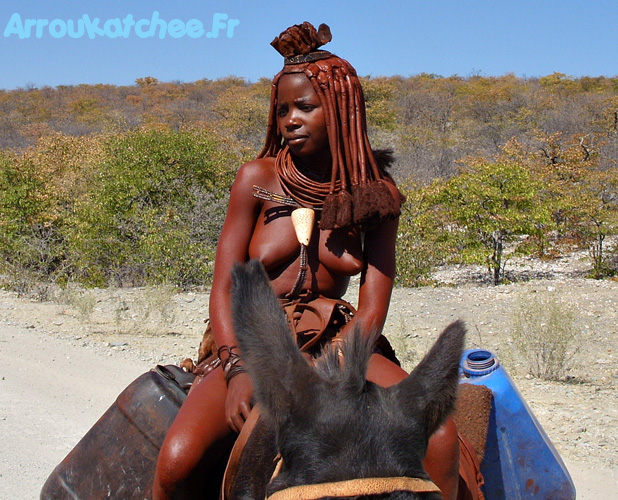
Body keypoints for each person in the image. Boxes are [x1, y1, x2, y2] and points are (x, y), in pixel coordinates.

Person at [153, 22, 460, 500]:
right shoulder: (256, 178)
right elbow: (224, 287)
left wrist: (341, 366)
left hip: (341, 341)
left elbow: (374, 301)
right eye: (281, 111)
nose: (289, 120)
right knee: (177, 461)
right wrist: (236, 368)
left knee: (438, 436)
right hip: (253, 339)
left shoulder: (377, 195)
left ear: (339, 110)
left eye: (304, 107)